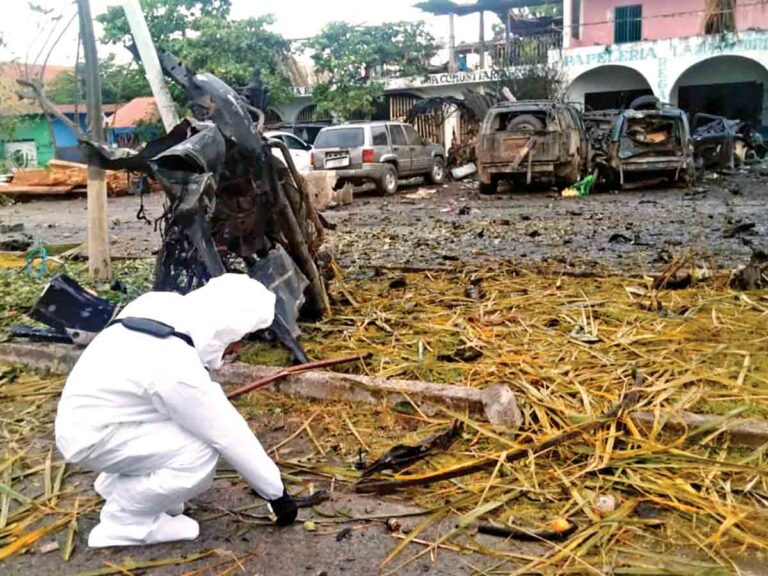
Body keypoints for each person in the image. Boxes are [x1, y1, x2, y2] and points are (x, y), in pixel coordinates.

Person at [55, 274, 297, 548]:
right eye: (239, 337)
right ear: (224, 328)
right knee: (199, 454)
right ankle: (125, 522)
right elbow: (226, 432)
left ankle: (121, 489)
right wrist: (277, 495)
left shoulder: (160, 306)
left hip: (96, 420)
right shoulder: (174, 364)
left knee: (183, 430)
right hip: (93, 437)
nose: (238, 347)